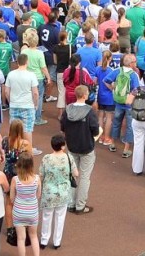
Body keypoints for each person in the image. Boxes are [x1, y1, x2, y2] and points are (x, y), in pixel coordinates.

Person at [60, 85, 99, 214]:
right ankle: (80, 205)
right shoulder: (89, 111)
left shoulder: (68, 110)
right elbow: (95, 130)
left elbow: (63, 127)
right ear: (84, 95)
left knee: (72, 175)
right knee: (84, 177)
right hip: (86, 147)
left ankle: (70, 203)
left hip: (71, 146)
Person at [39, 133, 76, 250]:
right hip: (63, 192)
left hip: (49, 192)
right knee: (60, 217)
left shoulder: (46, 158)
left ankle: (44, 240)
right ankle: (57, 241)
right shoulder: (69, 158)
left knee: (46, 216)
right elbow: (76, 173)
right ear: (63, 146)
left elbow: (41, 175)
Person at [5, 53, 41, 156]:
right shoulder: (31, 75)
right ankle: (28, 150)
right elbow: (35, 93)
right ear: (27, 62)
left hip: (14, 105)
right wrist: (36, 104)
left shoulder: (11, 74)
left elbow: (7, 91)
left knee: (13, 128)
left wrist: (10, 101)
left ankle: (12, 148)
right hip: (27, 105)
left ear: (17, 62)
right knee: (27, 129)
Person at [10, 152, 41, 256]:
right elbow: (38, 195)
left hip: (19, 211)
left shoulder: (15, 179)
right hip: (32, 211)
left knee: (21, 239)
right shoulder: (37, 178)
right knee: (33, 236)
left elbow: (11, 198)